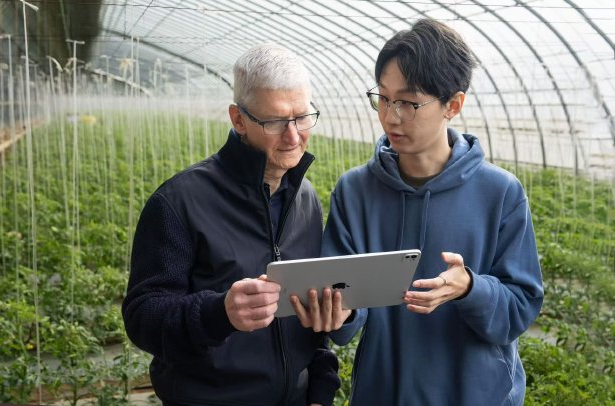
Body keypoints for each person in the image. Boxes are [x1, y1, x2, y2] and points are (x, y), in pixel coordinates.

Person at [325, 19, 544, 405]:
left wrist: (471, 288)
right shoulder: (355, 191)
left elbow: (520, 308)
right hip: (383, 391)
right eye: (383, 98)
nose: (391, 116)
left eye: (409, 102)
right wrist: (336, 311)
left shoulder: (500, 193)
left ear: (453, 105)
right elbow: (342, 315)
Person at [122, 44, 348, 406]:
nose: (293, 136)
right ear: (238, 119)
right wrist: (218, 314)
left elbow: (307, 321)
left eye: (302, 117)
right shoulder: (179, 202)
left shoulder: (305, 198)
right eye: (274, 122)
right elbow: (142, 317)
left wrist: (320, 390)